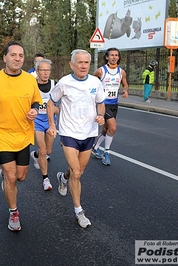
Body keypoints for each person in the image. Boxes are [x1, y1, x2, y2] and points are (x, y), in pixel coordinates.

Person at [0, 41, 42, 231]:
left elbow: (36, 102)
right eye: (13, 55)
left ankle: (6, 175)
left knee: (20, 177)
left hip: (23, 134)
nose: (17, 58)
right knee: (11, 178)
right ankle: (14, 213)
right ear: (5, 58)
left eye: (20, 55)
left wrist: (34, 111)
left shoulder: (29, 80)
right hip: (1, 134)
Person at [47, 49, 106, 228]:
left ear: (90, 64)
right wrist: (52, 125)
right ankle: (79, 211)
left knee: (78, 171)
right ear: (72, 65)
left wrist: (101, 116)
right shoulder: (64, 83)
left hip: (89, 132)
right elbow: (51, 102)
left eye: (86, 63)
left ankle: (63, 178)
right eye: (79, 62)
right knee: (77, 172)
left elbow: (101, 103)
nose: (83, 65)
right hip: (69, 132)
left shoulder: (95, 82)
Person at [91, 47, 129, 166]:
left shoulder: (121, 72)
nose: (114, 57)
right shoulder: (101, 71)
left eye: (116, 55)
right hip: (103, 104)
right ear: (107, 57)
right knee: (113, 128)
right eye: (111, 55)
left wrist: (125, 90)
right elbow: (91, 83)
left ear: (118, 57)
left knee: (106, 130)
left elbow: (125, 83)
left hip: (114, 104)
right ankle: (106, 153)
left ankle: (95, 147)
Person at [30, 58, 60, 191]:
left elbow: (60, 104)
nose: (46, 73)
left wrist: (57, 109)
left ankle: (35, 155)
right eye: (43, 70)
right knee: (43, 150)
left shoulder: (55, 84)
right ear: (37, 71)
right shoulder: (31, 85)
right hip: (36, 121)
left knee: (48, 151)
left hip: (50, 122)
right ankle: (45, 179)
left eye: (48, 70)